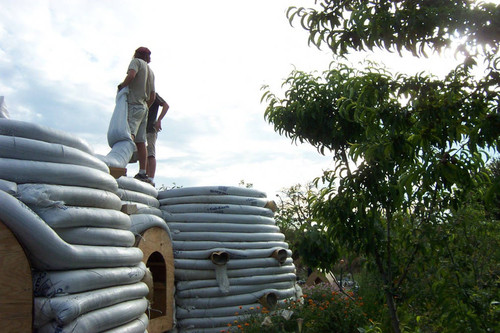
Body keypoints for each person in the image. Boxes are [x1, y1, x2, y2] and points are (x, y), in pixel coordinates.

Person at [118, 47, 155, 184]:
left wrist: (121, 87)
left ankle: (120, 165)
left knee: (129, 135)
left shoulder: (136, 62)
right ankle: (142, 172)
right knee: (141, 142)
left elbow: (131, 75)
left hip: (134, 104)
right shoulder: (151, 72)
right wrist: (144, 108)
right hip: (144, 107)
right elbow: (152, 96)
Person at [146, 93, 169, 186]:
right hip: (141, 128)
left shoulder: (153, 94)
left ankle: (151, 178)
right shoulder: (140, 93)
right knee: (143, 152)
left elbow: (166, 105)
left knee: (150, 152)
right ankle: (144, 175)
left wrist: (159, 120)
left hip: (151, 128)